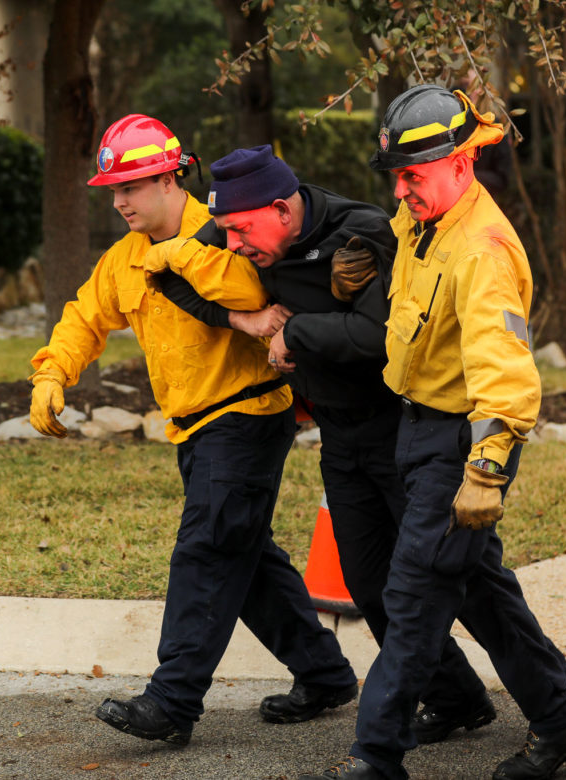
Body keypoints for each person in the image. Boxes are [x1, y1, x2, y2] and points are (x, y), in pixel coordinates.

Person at [27, 114, 359, 746]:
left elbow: (242, 288)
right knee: (248, 558)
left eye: (133, 186)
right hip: (194, 428)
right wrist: (52, 373)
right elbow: (83, 318)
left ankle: (172, 701)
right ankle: (325, 674)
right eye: (114, 190)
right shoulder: (124, 260)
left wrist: (176, 253)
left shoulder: (225, 235)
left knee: (207, 548)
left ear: (173, 177)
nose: (120, 201)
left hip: (248, 414)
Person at [148, 145, 497, 734]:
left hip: (401, 427)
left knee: (462, 576)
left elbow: (376, 337)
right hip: (339, 434)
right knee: (367, 580)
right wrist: (249, 322)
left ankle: (550, 697)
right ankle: (458, 698)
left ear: (283, 210)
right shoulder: (237, 223)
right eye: (225, 232)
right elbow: (161, 274)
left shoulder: (359, 230)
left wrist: (296, 334)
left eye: (240, 232)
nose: (231, 246)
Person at [300, 85, 566, 780]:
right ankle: (562, 725)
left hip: (461, 446)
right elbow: (408, 309)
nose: (401, 191)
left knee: (414, 597)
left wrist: (487, 468)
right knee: (478, 591)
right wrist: (354, 288)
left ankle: (375, 756)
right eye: (396, 177)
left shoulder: (483, 250)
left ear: (461, 163)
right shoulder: (423, 222)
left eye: (414, 175)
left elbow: (506, 371)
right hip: (415, 430)